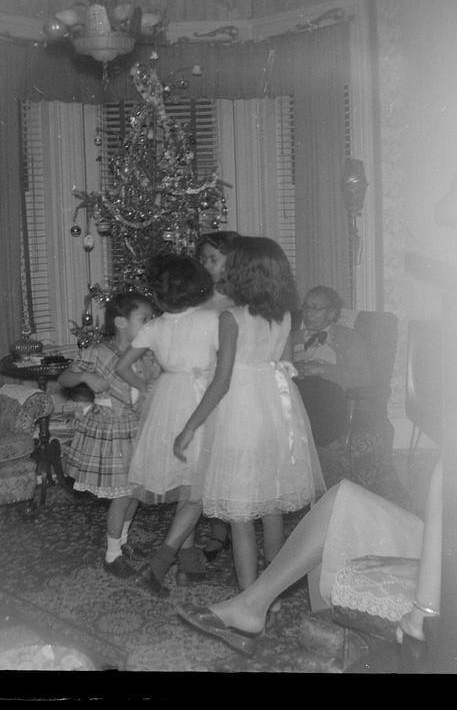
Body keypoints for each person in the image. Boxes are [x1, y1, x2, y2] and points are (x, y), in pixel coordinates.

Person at [160, 236, 326, 596]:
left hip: (242, 413)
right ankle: (274, 592)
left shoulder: (231, 318)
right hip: (279, 411)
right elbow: (288, 366)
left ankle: (250, 597)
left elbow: (221, 383)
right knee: (271, 505)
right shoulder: (284, 316)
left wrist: (190, 427)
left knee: (241, 514)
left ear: (244, 274)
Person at [176, 456, 443, 666]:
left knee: (337, 523)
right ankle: (256, 604)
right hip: (440, 549)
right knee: (341, 500)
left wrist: (419, 569)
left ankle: (255, 607)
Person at [115, 253, 218, 594]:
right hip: (199, 401)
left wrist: (145, 387)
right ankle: (159, 566)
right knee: (196, 492)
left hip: (166, 401)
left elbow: (122, 366)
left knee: (187, 486)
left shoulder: (154, 326)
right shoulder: (211, 319)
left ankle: (187, 566)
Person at [57, 292, 158, 580]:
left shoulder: (146, 353)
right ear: (121, 322)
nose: (151, 324)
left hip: (138, 429)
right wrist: (85, 378)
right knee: (122, 495)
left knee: (136, 492)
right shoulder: (98, 353)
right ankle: (111, 555)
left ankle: (123, 541)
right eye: (145, 319)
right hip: (112, 433)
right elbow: (65, 378)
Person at [195, 231, 241, 563]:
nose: (207, 265)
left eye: (214, 259)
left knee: (228, 457)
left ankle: (230, 527)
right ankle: (216, 527)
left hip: (232, 384)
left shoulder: (242, 301)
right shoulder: (199, 299)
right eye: (204, 259)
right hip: (201, 378)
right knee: (206, 459)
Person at [292, 286, 370, 447]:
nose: (308, 313)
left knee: (319, 389)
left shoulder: (349, 337)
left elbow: (363, 377)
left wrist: (321, 370)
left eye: (315, 308)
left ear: (332, 313)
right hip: (296, 396)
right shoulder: (291, 337)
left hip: (330, 400)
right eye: (305, 307)